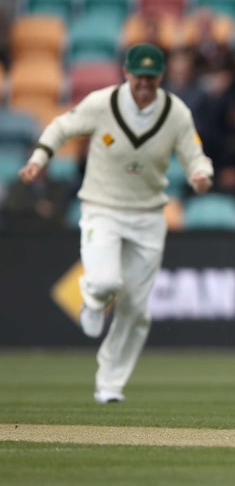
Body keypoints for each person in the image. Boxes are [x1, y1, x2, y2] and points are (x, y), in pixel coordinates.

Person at [17, 43, 214, 404]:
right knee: (106, 281)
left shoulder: (175, 112)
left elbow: (193, 153)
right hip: (101, 207)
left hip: (148, 214)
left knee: (137, 309)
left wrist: (201, 174)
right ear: (126, 73)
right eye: (138, 75)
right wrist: (40, 157)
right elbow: (62, 126)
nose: (144, 82)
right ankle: (92, 298)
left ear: (160, 76)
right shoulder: (103, 103)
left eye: (151, 76)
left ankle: (110, 383)